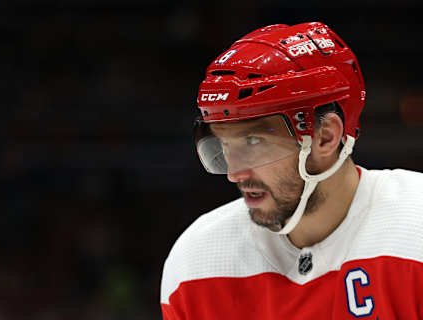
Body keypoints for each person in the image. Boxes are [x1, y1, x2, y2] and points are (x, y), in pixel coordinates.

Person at [160, 22, 423, 319]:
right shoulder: (198, 261)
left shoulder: (415, 229)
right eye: (223, 145)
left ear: (325, 137)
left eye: (254, 141)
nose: (235, 173)